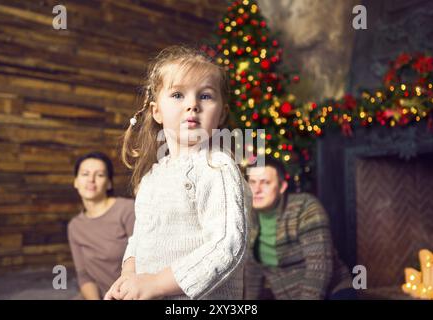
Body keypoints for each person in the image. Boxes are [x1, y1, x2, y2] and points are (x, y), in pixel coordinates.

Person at [104, 45, 252, 300]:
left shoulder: (217, 168)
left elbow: (227, 245)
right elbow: (140, 237)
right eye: (177, 95)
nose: (192, 105)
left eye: (205, 96)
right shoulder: (152, 176)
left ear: (222, 114)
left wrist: (156, 284)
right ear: (156, 111)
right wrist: (129, 275)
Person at [244, 155, 355, 300]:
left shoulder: (305, 207)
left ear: (282, 186)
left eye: (265, 182)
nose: (256, 189)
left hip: (333, 291)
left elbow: (319, 268)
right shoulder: (248, 218)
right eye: (252, 182)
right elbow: (253, 273)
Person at [68, 151, 135, 300]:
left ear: (109, 183)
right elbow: (84, 275)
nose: (91, 180)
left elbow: (146, 261)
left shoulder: (127, 210)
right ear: (76, 181)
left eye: (99, 175)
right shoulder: (75, 226)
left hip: (133, 294)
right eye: (85, 174)